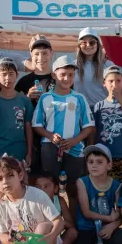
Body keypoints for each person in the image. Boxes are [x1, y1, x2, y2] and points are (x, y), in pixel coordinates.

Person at [31, 55, 95, 218]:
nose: (67, 78)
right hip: (50, 148)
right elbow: (37, 124)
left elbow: (89, 126)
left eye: (71, 75)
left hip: (74, 148)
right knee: (49, 184)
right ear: (54, 75)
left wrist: (75, 140)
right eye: (62, 74)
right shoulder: (45, 98)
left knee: (73, 187)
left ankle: (73, 222)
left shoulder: (79, 98)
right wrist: (50, 135)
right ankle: (49, 220)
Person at [66, 144, 122, 244]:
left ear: (108, 165)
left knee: (120, 243)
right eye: (90, 162)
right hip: (86, 227)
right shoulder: (82, 182)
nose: (94, 165)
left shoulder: (116, 185)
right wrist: (110, 219)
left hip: (105, 227)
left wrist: (112, 225)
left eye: (99, 162)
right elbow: (86, 213)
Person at [92, 65, 122, 183]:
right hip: (103, 157)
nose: (114, 84)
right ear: (104, 83)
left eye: (118, 81)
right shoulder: (99, 106)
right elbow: (93, 132)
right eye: (111, 81)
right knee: (104, 189)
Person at [14, 34, 55, 172]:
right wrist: (26, 97)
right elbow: (14, 109)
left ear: (51, 54)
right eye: (36, 54)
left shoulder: (60, 79)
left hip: (54, 136)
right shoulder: (23, 82)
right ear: (31, 54)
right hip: (29, 137)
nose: (40, 57)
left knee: (51, 177)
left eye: (45, 53)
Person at [0, 57, 34, 165]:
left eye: (11, 74)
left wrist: (29, 153)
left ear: (17, 75)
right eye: (3, 74)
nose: (7, 78)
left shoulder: (25, 100)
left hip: (20, 151)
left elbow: (28, 128)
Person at [32, 171, 78, 244]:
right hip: (37, 238)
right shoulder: (32, 202)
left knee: (73, 232)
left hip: (54, 238)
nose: (42, 190)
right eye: (38, 187)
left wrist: (60, 223)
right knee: (43, 228)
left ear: (56, 189)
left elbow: (71, 224)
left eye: (46, 186)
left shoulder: (59, 201)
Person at [74, 27, 114, 109]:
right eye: (84, 43)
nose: (88, 45)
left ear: (97, 45)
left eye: (92, 42)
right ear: (79, 45)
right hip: (80, 109)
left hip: (103, 109)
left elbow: (115, 89)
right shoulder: (73, 66)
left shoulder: (108, 65)